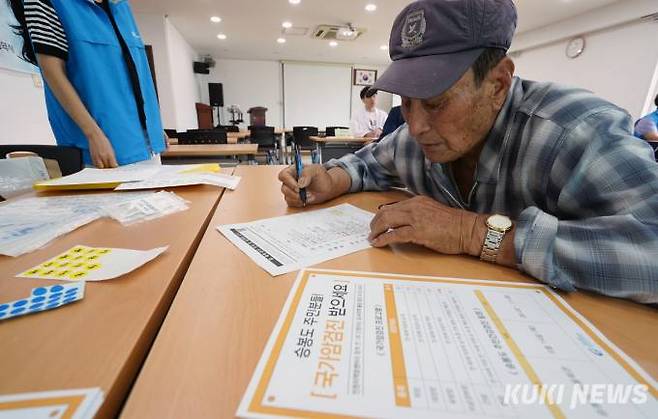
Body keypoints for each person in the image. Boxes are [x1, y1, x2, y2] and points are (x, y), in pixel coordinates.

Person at [279, 0, 658, 304]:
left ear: (498, 84)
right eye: (406, 103)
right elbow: (368, 164)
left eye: (435, 102)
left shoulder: (574, 131)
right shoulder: (417, 138)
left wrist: (473, 233)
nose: (415, 126)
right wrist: (332, 177)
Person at [21, 0, 166, 168]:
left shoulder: (121, 6)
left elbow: (135, 72)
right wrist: (93, 134)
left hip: (147, 147)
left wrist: (153, 127)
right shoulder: (47, 2)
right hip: (100, 149)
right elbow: (52, 72)